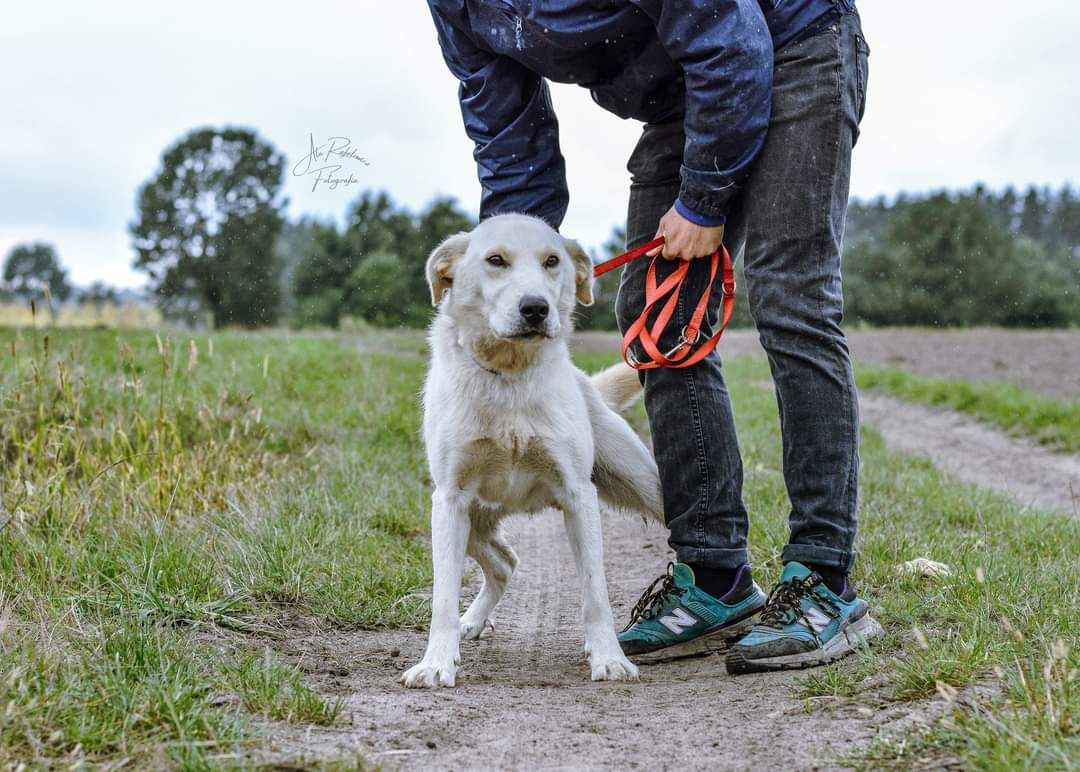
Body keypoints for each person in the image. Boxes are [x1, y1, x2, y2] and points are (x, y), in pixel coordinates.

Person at [426, 0, 881, 674]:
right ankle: (715, 576)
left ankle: (823, 581)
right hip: (684, 89)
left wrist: (704, 199)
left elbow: (731, 42)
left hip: (793, 47)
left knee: (790, 295)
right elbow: (507, 132)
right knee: (654, 315)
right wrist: (513, 269)